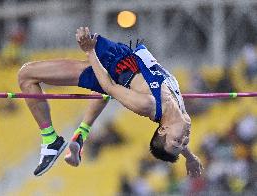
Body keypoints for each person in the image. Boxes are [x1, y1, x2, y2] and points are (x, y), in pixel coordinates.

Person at [18, 27, 203, 177]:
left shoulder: (148, 104)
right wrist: (190, 157)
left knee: (26, 75)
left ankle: (51, 140)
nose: (185, 139)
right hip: (125, 56)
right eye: (184, 142)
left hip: (112, 65)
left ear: (163, 129)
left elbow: (109, 87)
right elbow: (178, 142)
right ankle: (81, 133)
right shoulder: (183, 117)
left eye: (178, 140)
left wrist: (90, 51)